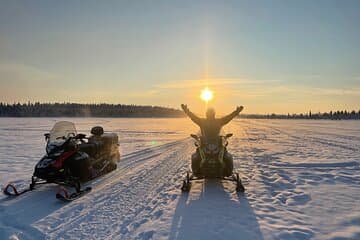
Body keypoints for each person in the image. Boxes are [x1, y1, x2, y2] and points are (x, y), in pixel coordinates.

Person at [181, 104, 244, 176]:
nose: (210, 115)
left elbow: (229, 117)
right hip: (204, 143)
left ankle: (228, 171)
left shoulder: (211, 121)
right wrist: (186, 111)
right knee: (196, 156)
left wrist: (236, 111)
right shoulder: (208, 121)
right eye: (209, 113)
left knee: (227, 156)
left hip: (217, 143)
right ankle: (197, 172)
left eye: (210, 113)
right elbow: (193, 117)